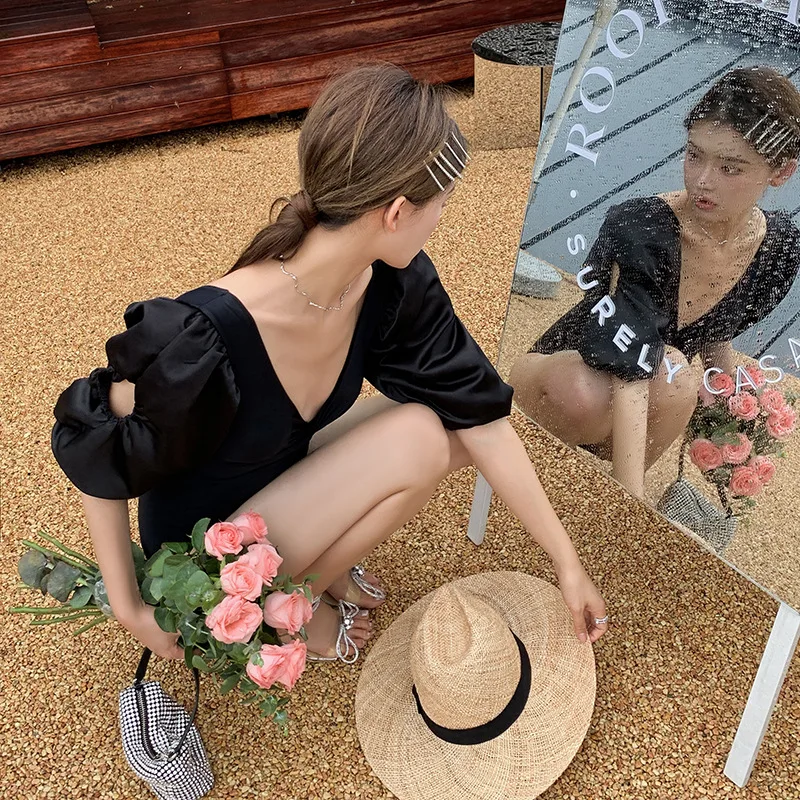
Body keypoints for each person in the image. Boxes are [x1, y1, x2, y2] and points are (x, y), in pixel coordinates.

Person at [51, 64, 608, 665]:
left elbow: (480, 416)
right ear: (397, 212)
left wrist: (567, 564)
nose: (441, 220)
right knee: (420, 437)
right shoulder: (206, 331)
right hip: (207, 549)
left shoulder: (390, 284)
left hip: (282, 478)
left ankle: (310, 579)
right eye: (441, 204)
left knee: (445, 423)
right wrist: (130, 606)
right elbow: (97, 441)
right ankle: (278, 610)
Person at [509, 66, 800, 498]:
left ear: (781, 172)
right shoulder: (642, 227)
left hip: (648, 396)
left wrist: (735, 429)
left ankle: (601, 498)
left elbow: (716, 329)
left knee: (676, 376)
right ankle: (558, 478)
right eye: (694, 155)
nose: (702, 180)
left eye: (730, 168)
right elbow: (629, 363)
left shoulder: (778, 249)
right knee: (647, 378)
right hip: (568, 379)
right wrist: (632, 501)